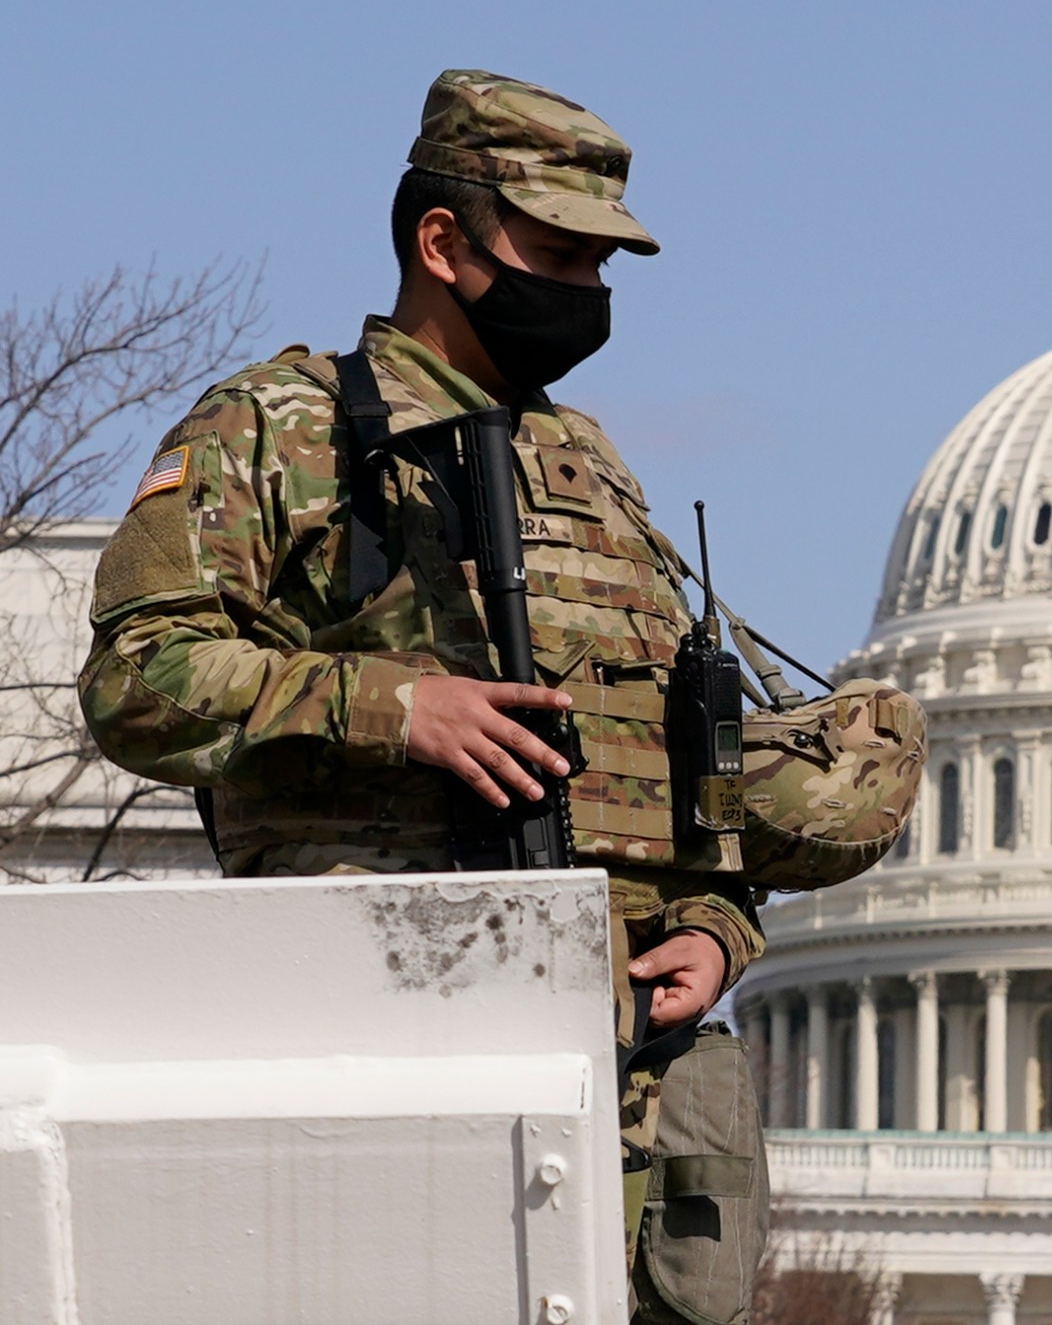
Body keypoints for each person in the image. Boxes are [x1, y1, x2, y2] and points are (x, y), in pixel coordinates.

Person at [78, 69, 922, 1324]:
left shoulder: (587, 464)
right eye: (560, 254)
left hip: (643, 1080)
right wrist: (390, 707)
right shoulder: (281, 427)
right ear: (443, 242)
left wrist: (716, 929)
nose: (588, 292)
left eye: (602, 266)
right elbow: (133, 680)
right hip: (404, 1032)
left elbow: (670, 768)